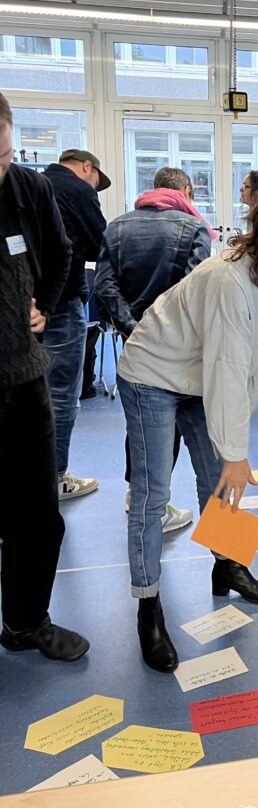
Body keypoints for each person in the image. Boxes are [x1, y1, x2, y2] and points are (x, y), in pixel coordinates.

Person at [116, 189, 258, 672]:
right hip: (154, 374)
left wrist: (234, 446)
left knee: (220, 485)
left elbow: (252, 359)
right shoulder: (230, 279)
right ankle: (148, 606)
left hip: (198, 375)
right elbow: (227, 365)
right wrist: (235, 450)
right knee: (152, 494)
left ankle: (228, 566)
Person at [0, 96, 89, 661]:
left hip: (24, 377)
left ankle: (26, 621)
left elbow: (62, 254)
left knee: (36, 512)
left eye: (4, 153)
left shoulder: (28, 189)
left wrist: (45, 307)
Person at [95, 166, 213, 534]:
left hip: (140, 357)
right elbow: (195, 290)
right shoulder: (196, 228)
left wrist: (133, 328)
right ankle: (228, 566)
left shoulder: (116, 227)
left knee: (149, 464)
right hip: (190, 359)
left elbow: (103, 285)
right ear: (187, 191)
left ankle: (152, 579)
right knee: (219, 470)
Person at [42, 147, 111, 501]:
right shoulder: (77, 189)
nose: (95, 190)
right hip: (62, 300)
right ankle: (55, 478)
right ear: (87, 167)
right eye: (97, 183)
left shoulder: (33, 184)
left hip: (27, 306)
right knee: (63, 394)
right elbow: (103, 243)